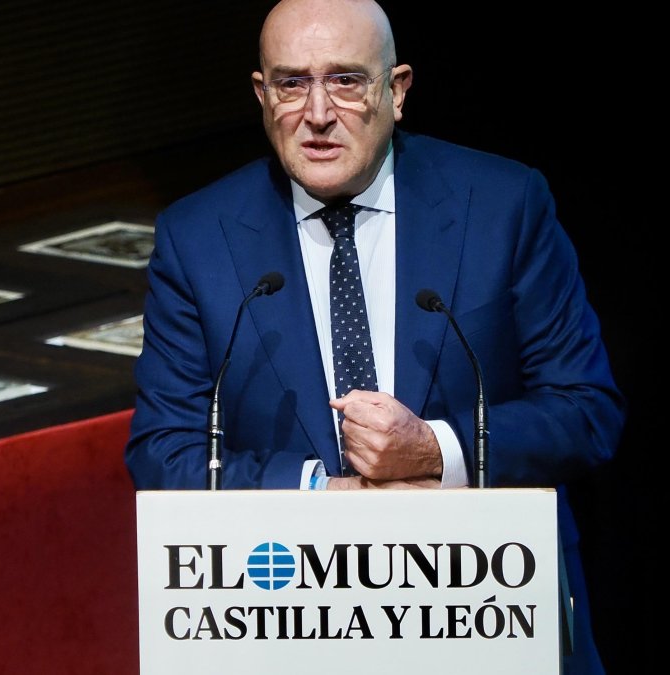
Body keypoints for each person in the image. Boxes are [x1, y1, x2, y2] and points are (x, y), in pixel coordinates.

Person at [125, 0, 626, 672]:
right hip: (285, 628)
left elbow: (585, 410)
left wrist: (431, 450)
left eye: (347, 80)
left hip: (486, 623)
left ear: (397, 90)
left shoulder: (503, 205)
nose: (319, 112)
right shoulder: (198, 238)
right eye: (293, 83)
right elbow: (165, 452)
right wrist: (322, 495)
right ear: (261, 94)